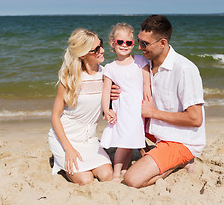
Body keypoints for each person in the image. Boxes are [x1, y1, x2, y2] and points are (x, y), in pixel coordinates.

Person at [112, 15, 206, 188]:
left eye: (145, 44)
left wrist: (153, 113)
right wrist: (113, 92)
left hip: (181, 140)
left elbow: (195, 119)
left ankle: (179, 162)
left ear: (163, 43)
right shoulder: (144, 64)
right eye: (139, 42)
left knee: (132, 179)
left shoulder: (185, 69)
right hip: (157, 133)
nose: (140, 48)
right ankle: (157, 155)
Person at [48, 28, 113, 185]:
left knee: (106, 175)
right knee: (86, 180)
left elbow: (111, 105)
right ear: (83, 54)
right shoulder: (69, 79)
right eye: (96, 49)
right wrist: (68, 148)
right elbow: (55, 116)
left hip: (89, 139)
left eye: (101, 45)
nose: (102, 50)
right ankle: (62, 163)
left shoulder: (107, 74)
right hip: (66, 137)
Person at [100, 23, 151, 182]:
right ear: (112, 43)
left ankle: (124, 168)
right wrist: (106, 110)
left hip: (137, 107)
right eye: (120, 42)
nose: (124, 45)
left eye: (128, 43)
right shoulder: (110, 68)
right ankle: (116, 173)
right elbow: (106, 92)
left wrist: (148, 99)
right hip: (122, 108)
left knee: (130, 140)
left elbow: (146, 83)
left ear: (133, 44)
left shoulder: (140, 61)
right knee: (123, 142)